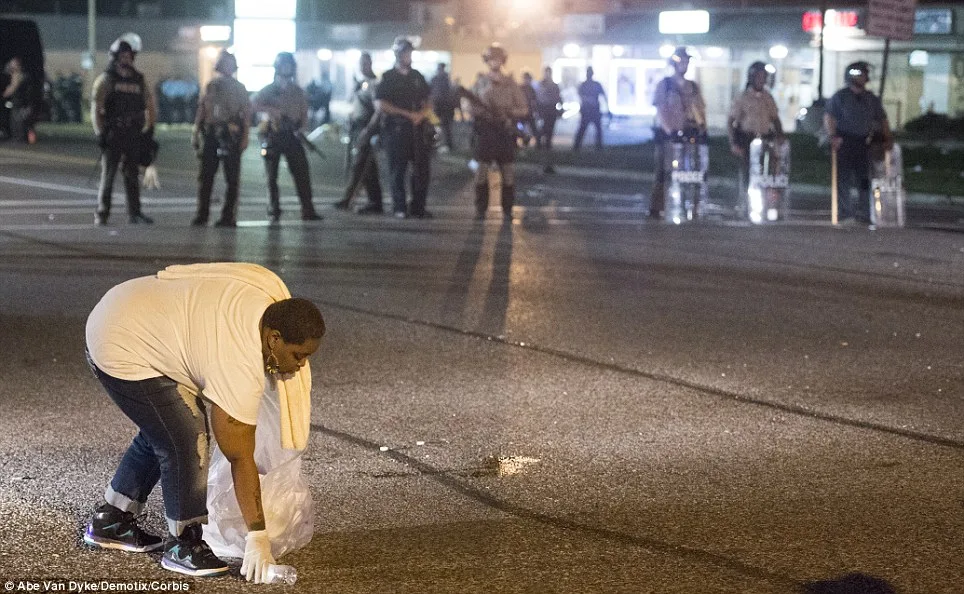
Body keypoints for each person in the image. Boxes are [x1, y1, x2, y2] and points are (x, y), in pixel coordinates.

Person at [83, 262, 325, 581]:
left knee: (164, 426)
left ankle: (112, 520)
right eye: (298, 355)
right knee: (186, 437)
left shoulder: (265, 301)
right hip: (120, 341)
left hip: (128, 309)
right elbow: (240, 456)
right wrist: (257, 536)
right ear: (273, 339)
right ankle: (184, 545)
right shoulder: (239, 361)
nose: (300, 366)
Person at [91, 34, 157, 226]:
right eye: (123, 55)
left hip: (133, 133)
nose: (126, 58)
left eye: (129, 55)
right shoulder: (107, 79)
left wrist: (150, 129)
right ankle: (102, 213)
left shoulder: (139, 80)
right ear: (116, 57)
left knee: (132, 175)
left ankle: (134, 213)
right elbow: (96, 108)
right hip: (114, 133)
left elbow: (149, 104)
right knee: (108, 175)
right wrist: (100, 133)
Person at [252, 52, 323, 224]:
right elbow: (252, 105)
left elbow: (304, 113)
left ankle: (307, 209)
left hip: (292, 135)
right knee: (271, 176)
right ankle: (273, 208)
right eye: (284, 65)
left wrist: (301, 129)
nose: (287, 69)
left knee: (302, 173)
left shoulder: (298, 91)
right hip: (273, 135)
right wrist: (270, 110)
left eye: (289, 66)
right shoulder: (268, 90)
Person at [823, 61, 893, 224]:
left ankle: (865, 211)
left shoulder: (871, 99)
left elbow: (882, 120)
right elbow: (829, 117)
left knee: (864, 179)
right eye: (861, 74)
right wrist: (832, 136)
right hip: (844, 141)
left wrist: (887, 138)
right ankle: (845, 212)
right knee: (843, 179)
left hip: (863, 142)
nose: (864, 77)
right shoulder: (841, 96)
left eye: (865, 74)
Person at [374, 36, 433, 219]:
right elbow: (381, 104)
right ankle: (399, 206)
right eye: (404, 53)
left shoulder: (417, 76)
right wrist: (407, 115)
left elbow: (429, 100)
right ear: (397, 54)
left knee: (421, 170)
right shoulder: (388, 77)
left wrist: (421, 114)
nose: (408, 56)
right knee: (397, 170)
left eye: (409, 52)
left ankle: (418, 206)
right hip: (397, 130)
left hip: (418, 130)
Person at [191, 50, 251, 228]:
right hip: (210, 133)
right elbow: (202, 109)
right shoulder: (211, 85)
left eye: (228, 63)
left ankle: (228, 216)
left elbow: (246, 115)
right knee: (206, 177)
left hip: (230, 135)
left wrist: (245, 137)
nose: (225, 67)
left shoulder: (240, 88)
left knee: (232, 179)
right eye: (223, 63)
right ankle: (202, 214)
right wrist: (195, 131)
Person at [469, 43, 529, 221]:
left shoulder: (510, 83)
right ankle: (481, 208)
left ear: (502, 60)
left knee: (508, 172)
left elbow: (524, 108)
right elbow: (469, 105)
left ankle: (508, 208)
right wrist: (479, 110)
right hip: (486, 131)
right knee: (482, 170)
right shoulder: (480, 82)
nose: (494, 62)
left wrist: (508, 113)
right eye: (491, 58)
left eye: (497, 58)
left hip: (505, 131)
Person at [650, 46, 707, 218]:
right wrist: (670, 131)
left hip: (690, 134)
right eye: (682, 61)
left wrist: (702, 129)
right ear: (675, 63)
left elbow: (700, 111)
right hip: (670, 137)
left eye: (687, 61)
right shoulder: (665, 85)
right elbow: (660, 110)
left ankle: (692, 207)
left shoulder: (693, 87)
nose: (685, 64)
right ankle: (657, 207)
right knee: (663, 172)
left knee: (692, 173)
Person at [334, 51, 384, 214]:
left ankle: (349, 199)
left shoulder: (374, 84)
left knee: (360, 165)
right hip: (356, 127)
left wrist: (368, 131)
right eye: (360, 63)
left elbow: (378, 110)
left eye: (365, 63)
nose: (362, 66)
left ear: (370, 64)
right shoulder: (360, 83)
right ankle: (374, 201)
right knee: (368, 168)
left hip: (365, 128)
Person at [727, 61, 784, 197]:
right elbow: (731, 121)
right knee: (748, 172)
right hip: (747, 139)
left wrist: (780, 135)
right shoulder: (742, 97)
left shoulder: (768, 98)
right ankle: (746, 200)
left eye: (764, 76)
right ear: (751, 77)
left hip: (765, 139)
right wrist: (733, 143)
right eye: (758, 76)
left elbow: (775, 119)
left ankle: (763, 199)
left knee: (766, 171)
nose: (761, 80)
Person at [2, 57, 37, 144]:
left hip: (19, 102)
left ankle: (19, 138)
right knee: (20, 121)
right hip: (23, 102)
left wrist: (4, 94)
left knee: (17, 121)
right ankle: (20, 138)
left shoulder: (18, 75)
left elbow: (13, 88)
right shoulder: (24, 75)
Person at [534, 66, 562, 173]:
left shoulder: (553, 85)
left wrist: (560, 108)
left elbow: (558, 98)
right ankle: (542, 154)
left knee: (548, 135)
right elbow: (538, 98)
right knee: (543, 133)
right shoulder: (541, 85)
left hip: (550, 111)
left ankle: (545, 159)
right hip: (544, 111)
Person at [573, 66, 607, 151]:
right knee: (583, 129)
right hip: (587, 110)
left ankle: (598, 147)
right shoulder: (585, 85)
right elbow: (580, 95)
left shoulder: (595, 84)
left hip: (594, 110)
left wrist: (607, 108)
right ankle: (577, 147)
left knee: (597, 129)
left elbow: (603, 96)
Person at [429, 62, 455, 152]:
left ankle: (447, 144)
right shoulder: (437, 79)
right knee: (437, 126)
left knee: (445, 126)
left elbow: (448, 94)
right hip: (438, 106)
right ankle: (437, 143)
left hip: (444, 107)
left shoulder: (445, 80)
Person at [518, 71, 538, 147]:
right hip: (522, 112)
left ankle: (537, 144)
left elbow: (534, 101)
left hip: (529, 112)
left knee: (533, 129)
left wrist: (534, 111)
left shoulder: (532, 89)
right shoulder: (520, 88)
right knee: (520, 129)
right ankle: (524, 141)